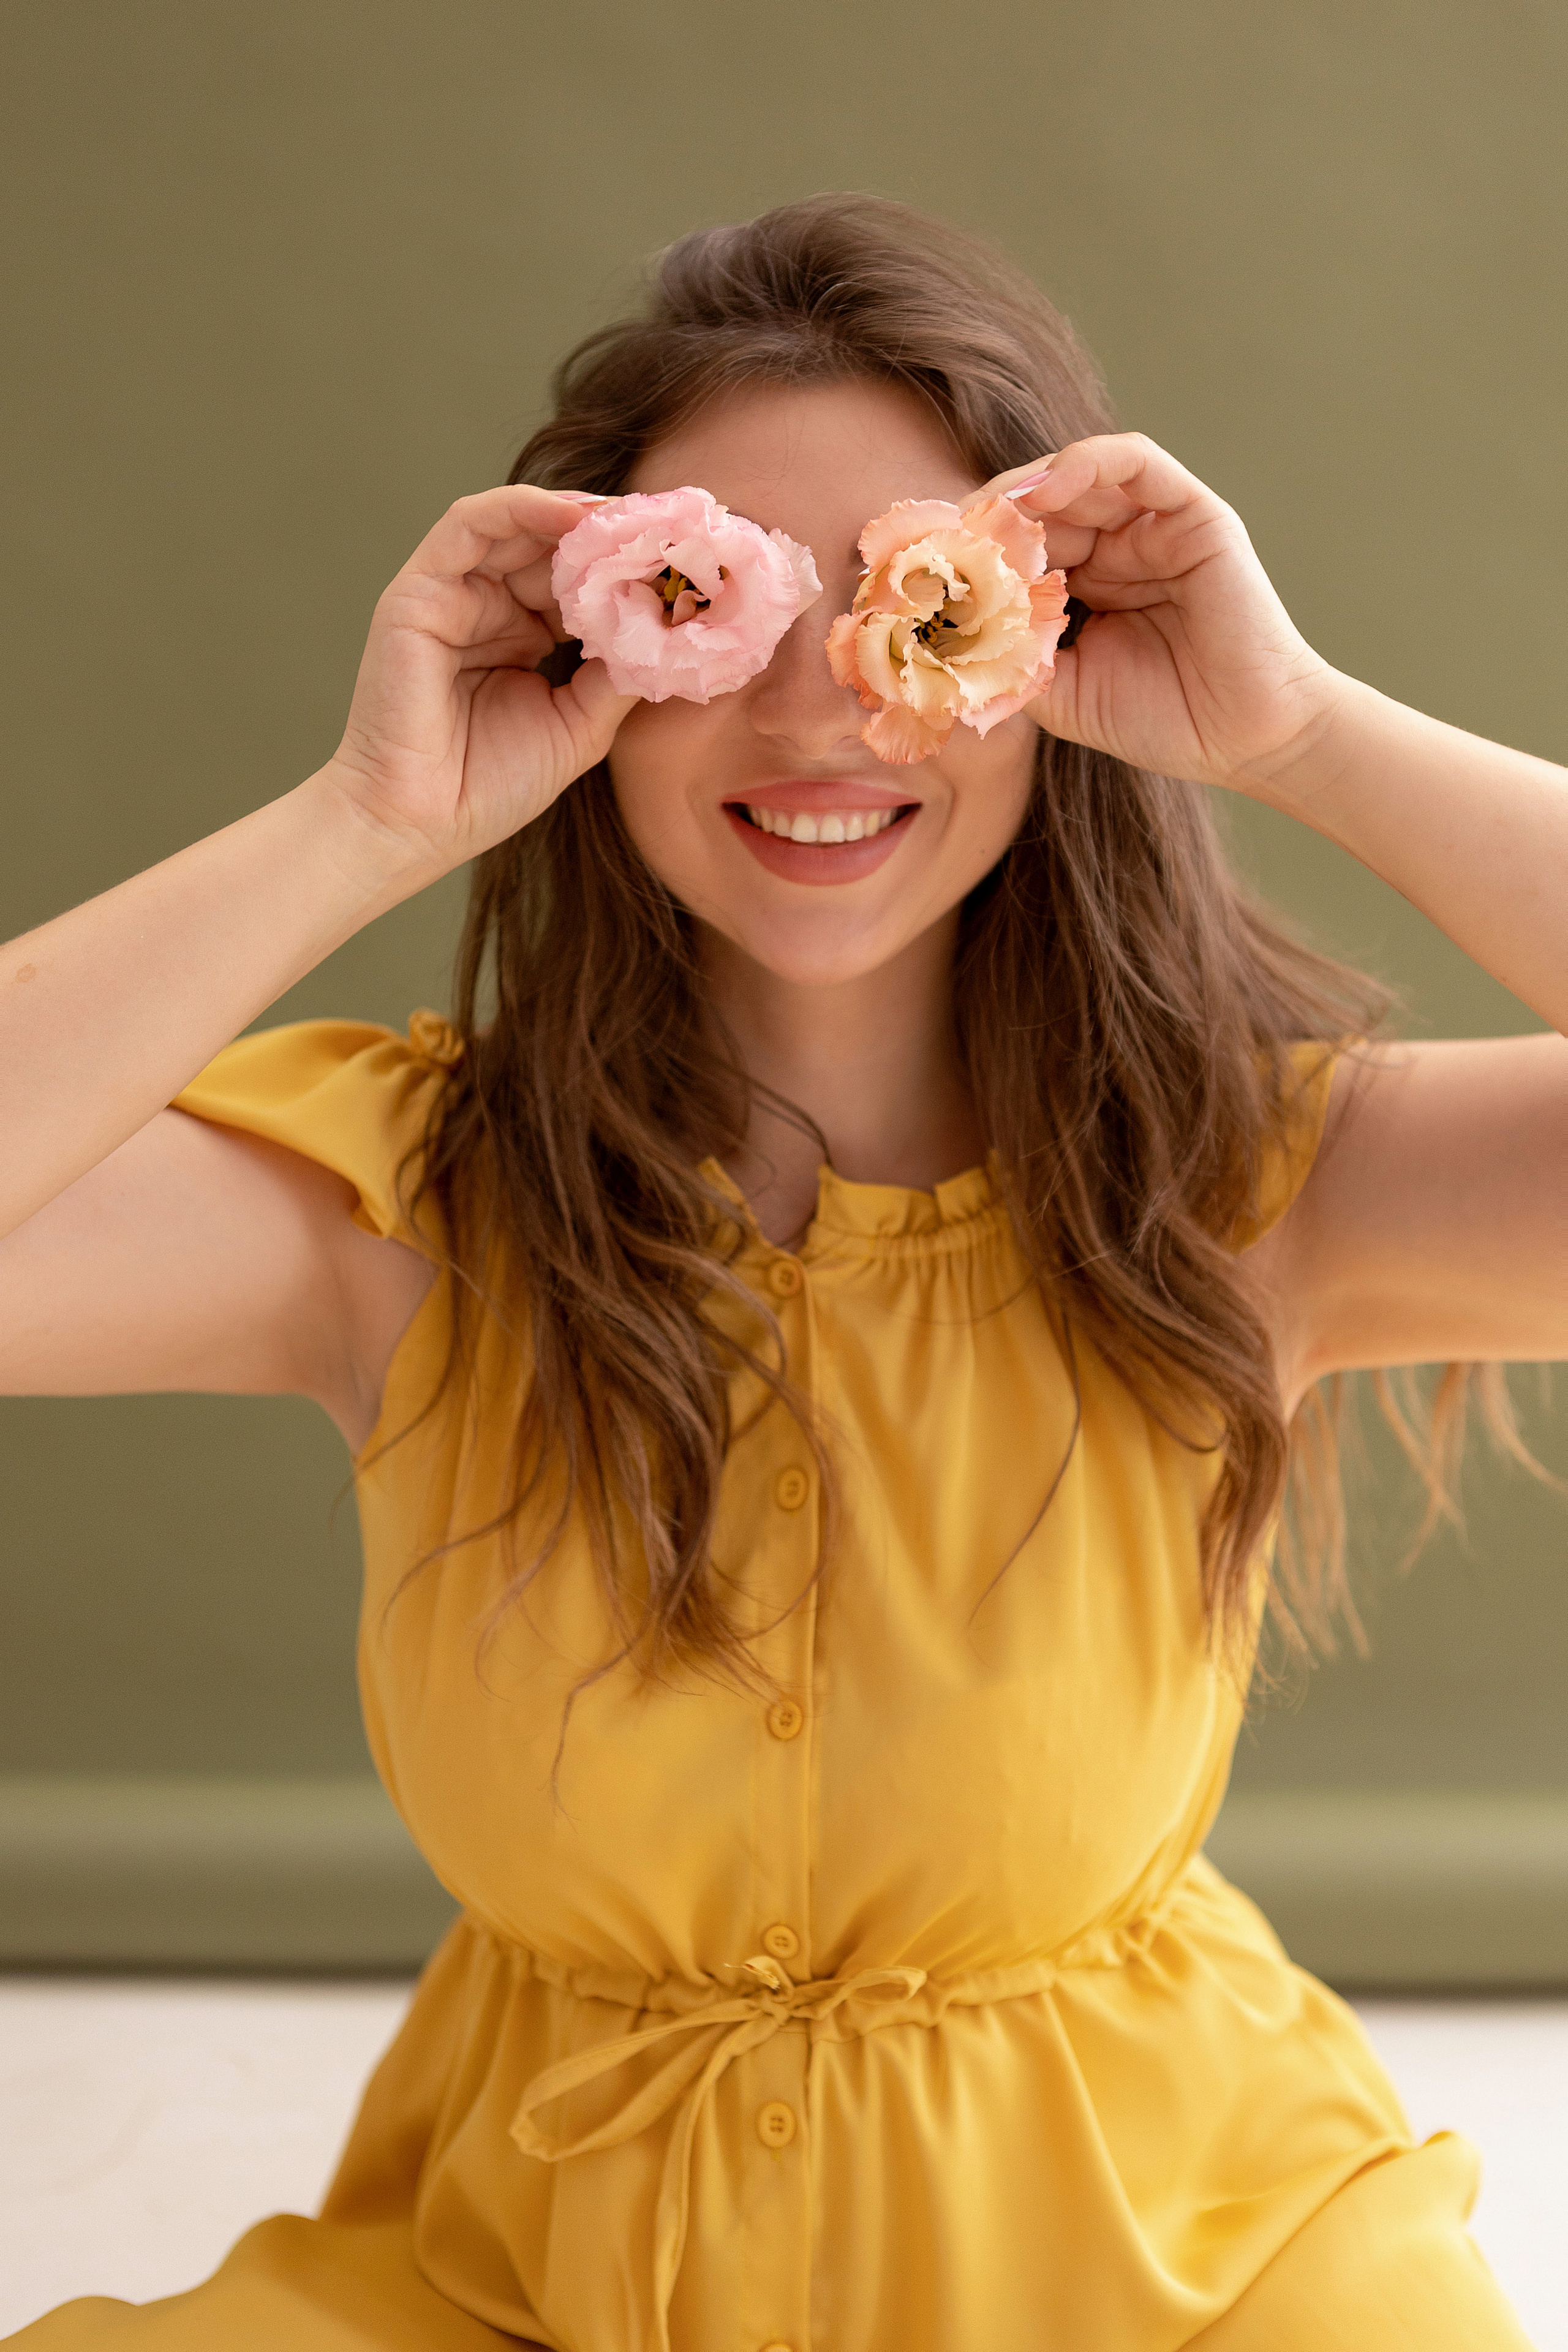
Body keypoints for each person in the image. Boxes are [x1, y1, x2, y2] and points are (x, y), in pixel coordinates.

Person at [2, 194, 1562, 2352]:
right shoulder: (406, 1212)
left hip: (1195, 2273)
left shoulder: (1255, 1183)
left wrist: (1298, 730)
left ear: (1054, 662)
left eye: (916, 611)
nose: (827, 716)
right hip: (527, 2291)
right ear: (582, 665)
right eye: (710, 613)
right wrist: (366, 816)